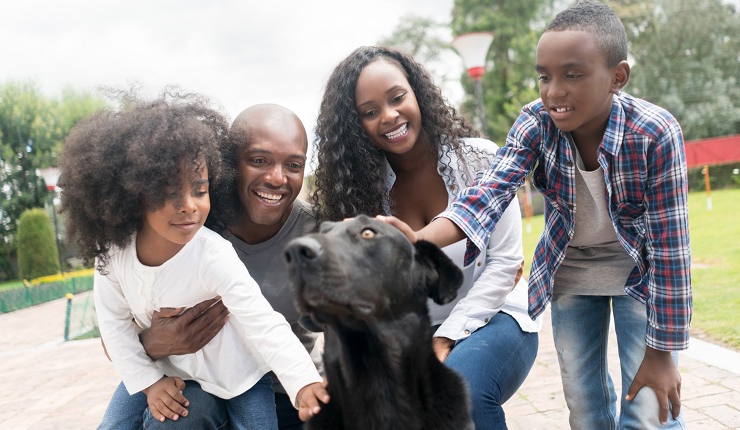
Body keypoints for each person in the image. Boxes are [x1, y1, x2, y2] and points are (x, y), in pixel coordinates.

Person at [380, 2, 692, 429]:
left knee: (648, 408)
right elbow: (487, 195)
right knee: (585, 408)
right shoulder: (536, 121)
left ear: (617, 77)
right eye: (544, 76)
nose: (553, 92)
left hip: (641, 273)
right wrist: (419, 240)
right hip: (572, 273)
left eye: (573, 74)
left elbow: (672, 253)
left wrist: (662, 353)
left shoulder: (656, 133)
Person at [58, 95, 327, 430]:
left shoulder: (211, 251)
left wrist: (304, 382)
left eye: (199, 191)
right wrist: (151, 376)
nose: (188, 206)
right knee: (132, 422)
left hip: (246, 378)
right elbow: (113, 330)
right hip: (169, 371)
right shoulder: (116, 255)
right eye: (259, 159)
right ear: (131, 193)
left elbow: (264, 322)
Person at [311, 45, 542, 430]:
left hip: (497, 317)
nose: (389, 116)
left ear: (417, 92)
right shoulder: (362, 196)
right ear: (357, 126)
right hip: (415, 333)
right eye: (370, 112)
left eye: (397, 98)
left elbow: (505, 264)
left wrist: (446, 338)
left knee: (462, 391)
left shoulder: (481, 160)